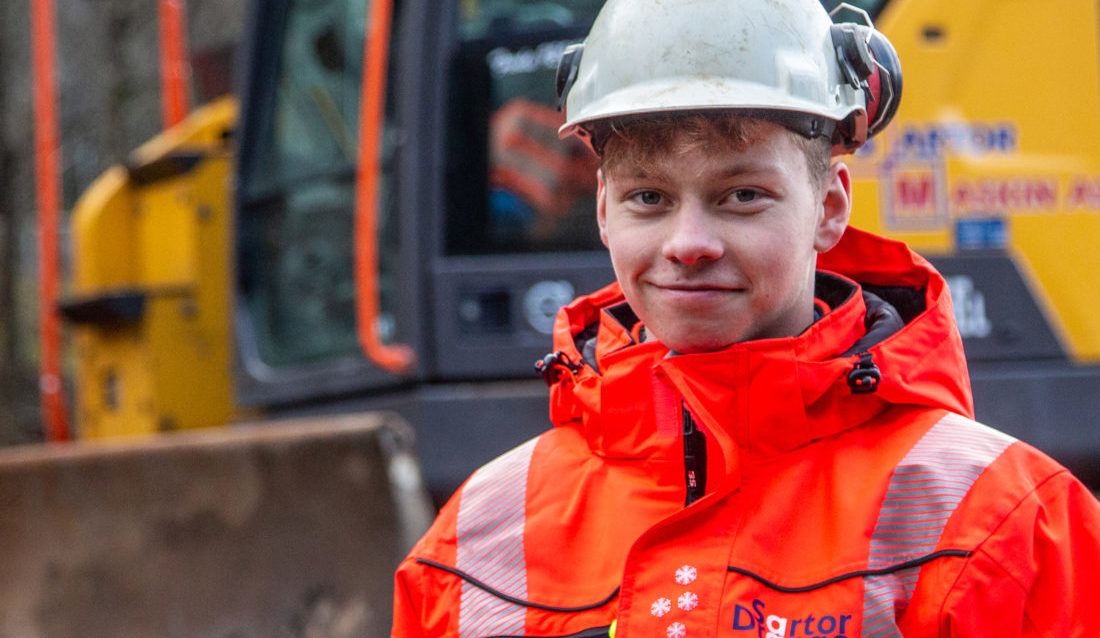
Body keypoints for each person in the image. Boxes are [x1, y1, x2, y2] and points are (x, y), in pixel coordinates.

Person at [392, 0, 1100, 635]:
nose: (688, 243)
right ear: (603, 210)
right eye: (649, 198)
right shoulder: (476, 539)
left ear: (829, 208)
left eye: (742, 196)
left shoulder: (1005, 520)